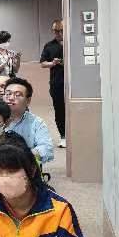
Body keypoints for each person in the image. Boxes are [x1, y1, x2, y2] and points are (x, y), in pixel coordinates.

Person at [4, 77, 55, 164]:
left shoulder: (36, 123)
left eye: (17, 95)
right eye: (8, 94)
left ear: (28, 100)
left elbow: (47, 149)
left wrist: (19, 157)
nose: (11, 98)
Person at [40, 20, 66, 148]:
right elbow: (43, 63)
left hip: (73, 84)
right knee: (60, 110)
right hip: (57, 83)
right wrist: (53, 63)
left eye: (61, 31)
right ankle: (63, 136)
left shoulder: (72, 42)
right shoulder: (49, 46)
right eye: (56, 31)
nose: (59, 33)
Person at [0, 31, 21, 95]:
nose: (8, 43)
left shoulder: (11, 53)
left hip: (10, 83)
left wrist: (18, 60)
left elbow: (16, 70)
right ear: (0, 42)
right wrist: (5, 63)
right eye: (7, 41)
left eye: (9, 41)